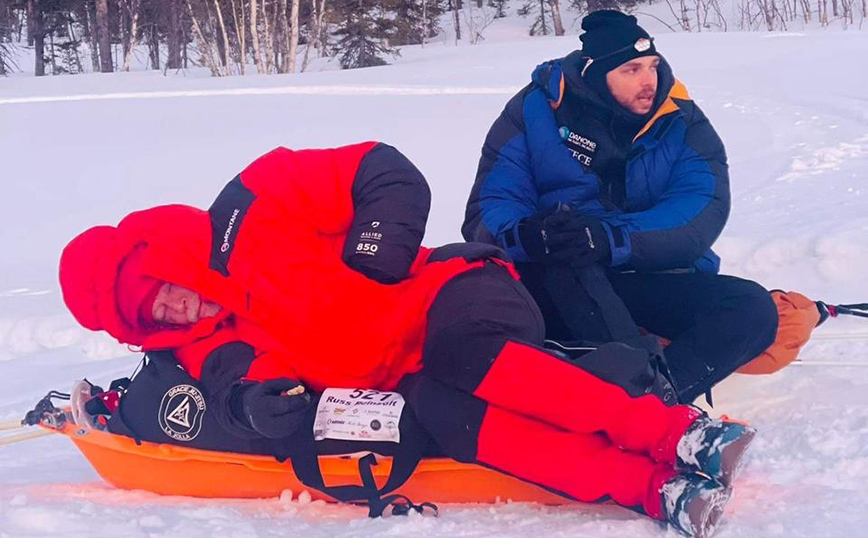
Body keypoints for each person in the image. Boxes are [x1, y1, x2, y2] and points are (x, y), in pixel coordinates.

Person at [60, 142, 754, 537]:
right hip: (405, 376)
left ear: (158, 252)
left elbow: (383, 170)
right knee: (448, 414)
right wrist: (256, 407)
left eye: (164, 287)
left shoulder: (255, 199)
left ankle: (677, 436)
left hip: (453, 295)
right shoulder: (205, 342)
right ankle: (654, 491)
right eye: (155, 315)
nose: (177, 308)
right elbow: (234, 385)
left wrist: (376, 251)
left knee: (463, 355)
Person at [463, 10, 778, 404]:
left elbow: (700, 212)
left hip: (645, 272)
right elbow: (489, 206)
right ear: (595, 74)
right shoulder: (534, 111)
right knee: (558, 271)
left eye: (653, 65)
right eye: (631, 70)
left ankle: (654, 400)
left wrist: (612, 238)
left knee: (753, 310)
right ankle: (630, 402)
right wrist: (531, 236)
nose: (649, 81)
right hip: (554, 275)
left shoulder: (680, 119)